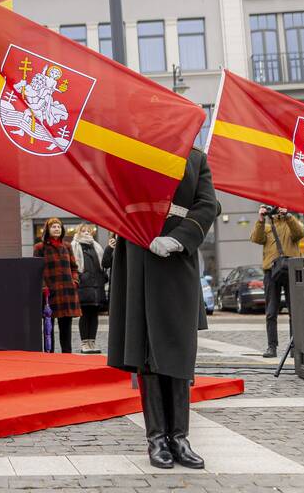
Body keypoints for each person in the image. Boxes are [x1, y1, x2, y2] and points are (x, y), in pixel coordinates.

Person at [109, 147, 218, 470]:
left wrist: (181, 238)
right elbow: (112, 196)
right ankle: (157, 438)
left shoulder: (195, 159)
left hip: (176, 258)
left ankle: (180, 437)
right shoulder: (128, 151)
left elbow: (208, 204)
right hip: (140, 256)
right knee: (147, 351)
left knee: (178, 348)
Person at [249, 205, 304, 358]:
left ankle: (295, 347)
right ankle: (271, 347)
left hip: (290, 270)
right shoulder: (267, 226)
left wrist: (287, 216)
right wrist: (260, 219)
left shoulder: (292, 222)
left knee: (294, 311)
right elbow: (256, 238)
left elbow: (300, 233)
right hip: (270, 271)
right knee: (271, 312)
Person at [34, 219, 81, 354]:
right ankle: (50, 355)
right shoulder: (40, 248)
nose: (56, 229)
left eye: (59, 227)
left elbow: (74, 267)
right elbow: (36, 270)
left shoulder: (67, 246)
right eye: (53, 226)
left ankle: (67, 354)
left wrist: (75, 281)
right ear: (47, 229)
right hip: (49, 292)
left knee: (66, 326)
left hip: (67, 291)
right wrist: (43, 287)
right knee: (49, 326)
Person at [72, 223, 107, 354]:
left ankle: (92, 341)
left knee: (94, 315)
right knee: (85, 314)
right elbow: (74, 265)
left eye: (88, 231)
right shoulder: (75, 246)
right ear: (78, 231)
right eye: (83, 230)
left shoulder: (96, 246)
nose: (86, 232)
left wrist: (103, 278)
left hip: (97, 285)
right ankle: (84, 342)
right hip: (84, 286)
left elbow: (102, 264)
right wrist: (81, 278)